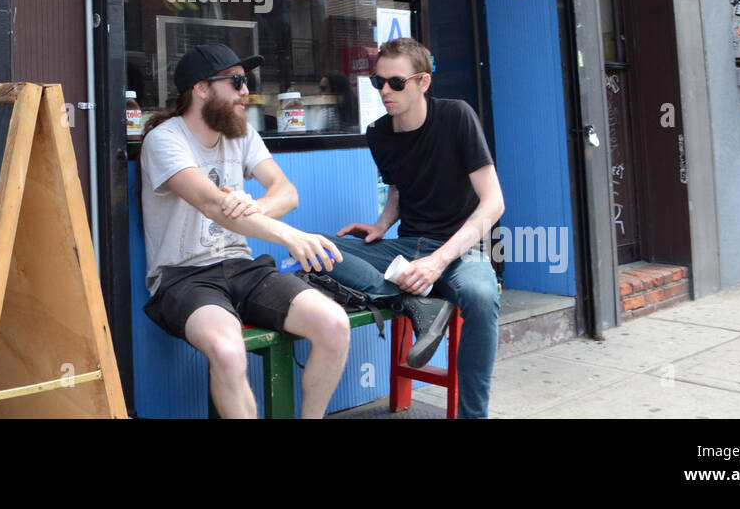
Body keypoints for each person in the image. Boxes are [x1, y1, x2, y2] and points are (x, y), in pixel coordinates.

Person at [140, 43, 350, 419]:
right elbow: (211, 205)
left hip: (241, 266)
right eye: (236, 82)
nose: (245, 91)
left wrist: (256, 206)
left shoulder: (240, 132)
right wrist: (289, 236)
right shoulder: (164, 139)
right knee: (228, 351)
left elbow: (287, 192)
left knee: (334, 323)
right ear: (201, 89)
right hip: (184, 277)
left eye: (246, 82)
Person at [325, 37, 504, 419]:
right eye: (378, 83)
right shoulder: (379, 134)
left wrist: (438, 263)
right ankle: (414, 302)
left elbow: (494, 202)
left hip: (458, 251)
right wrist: (380, 225)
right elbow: (398, 188)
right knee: (313, 248)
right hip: (406, 247)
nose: (385, 91)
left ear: (423, 82)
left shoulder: (457, 116)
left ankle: (475, 416)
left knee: (480, 295)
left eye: (396, 82)